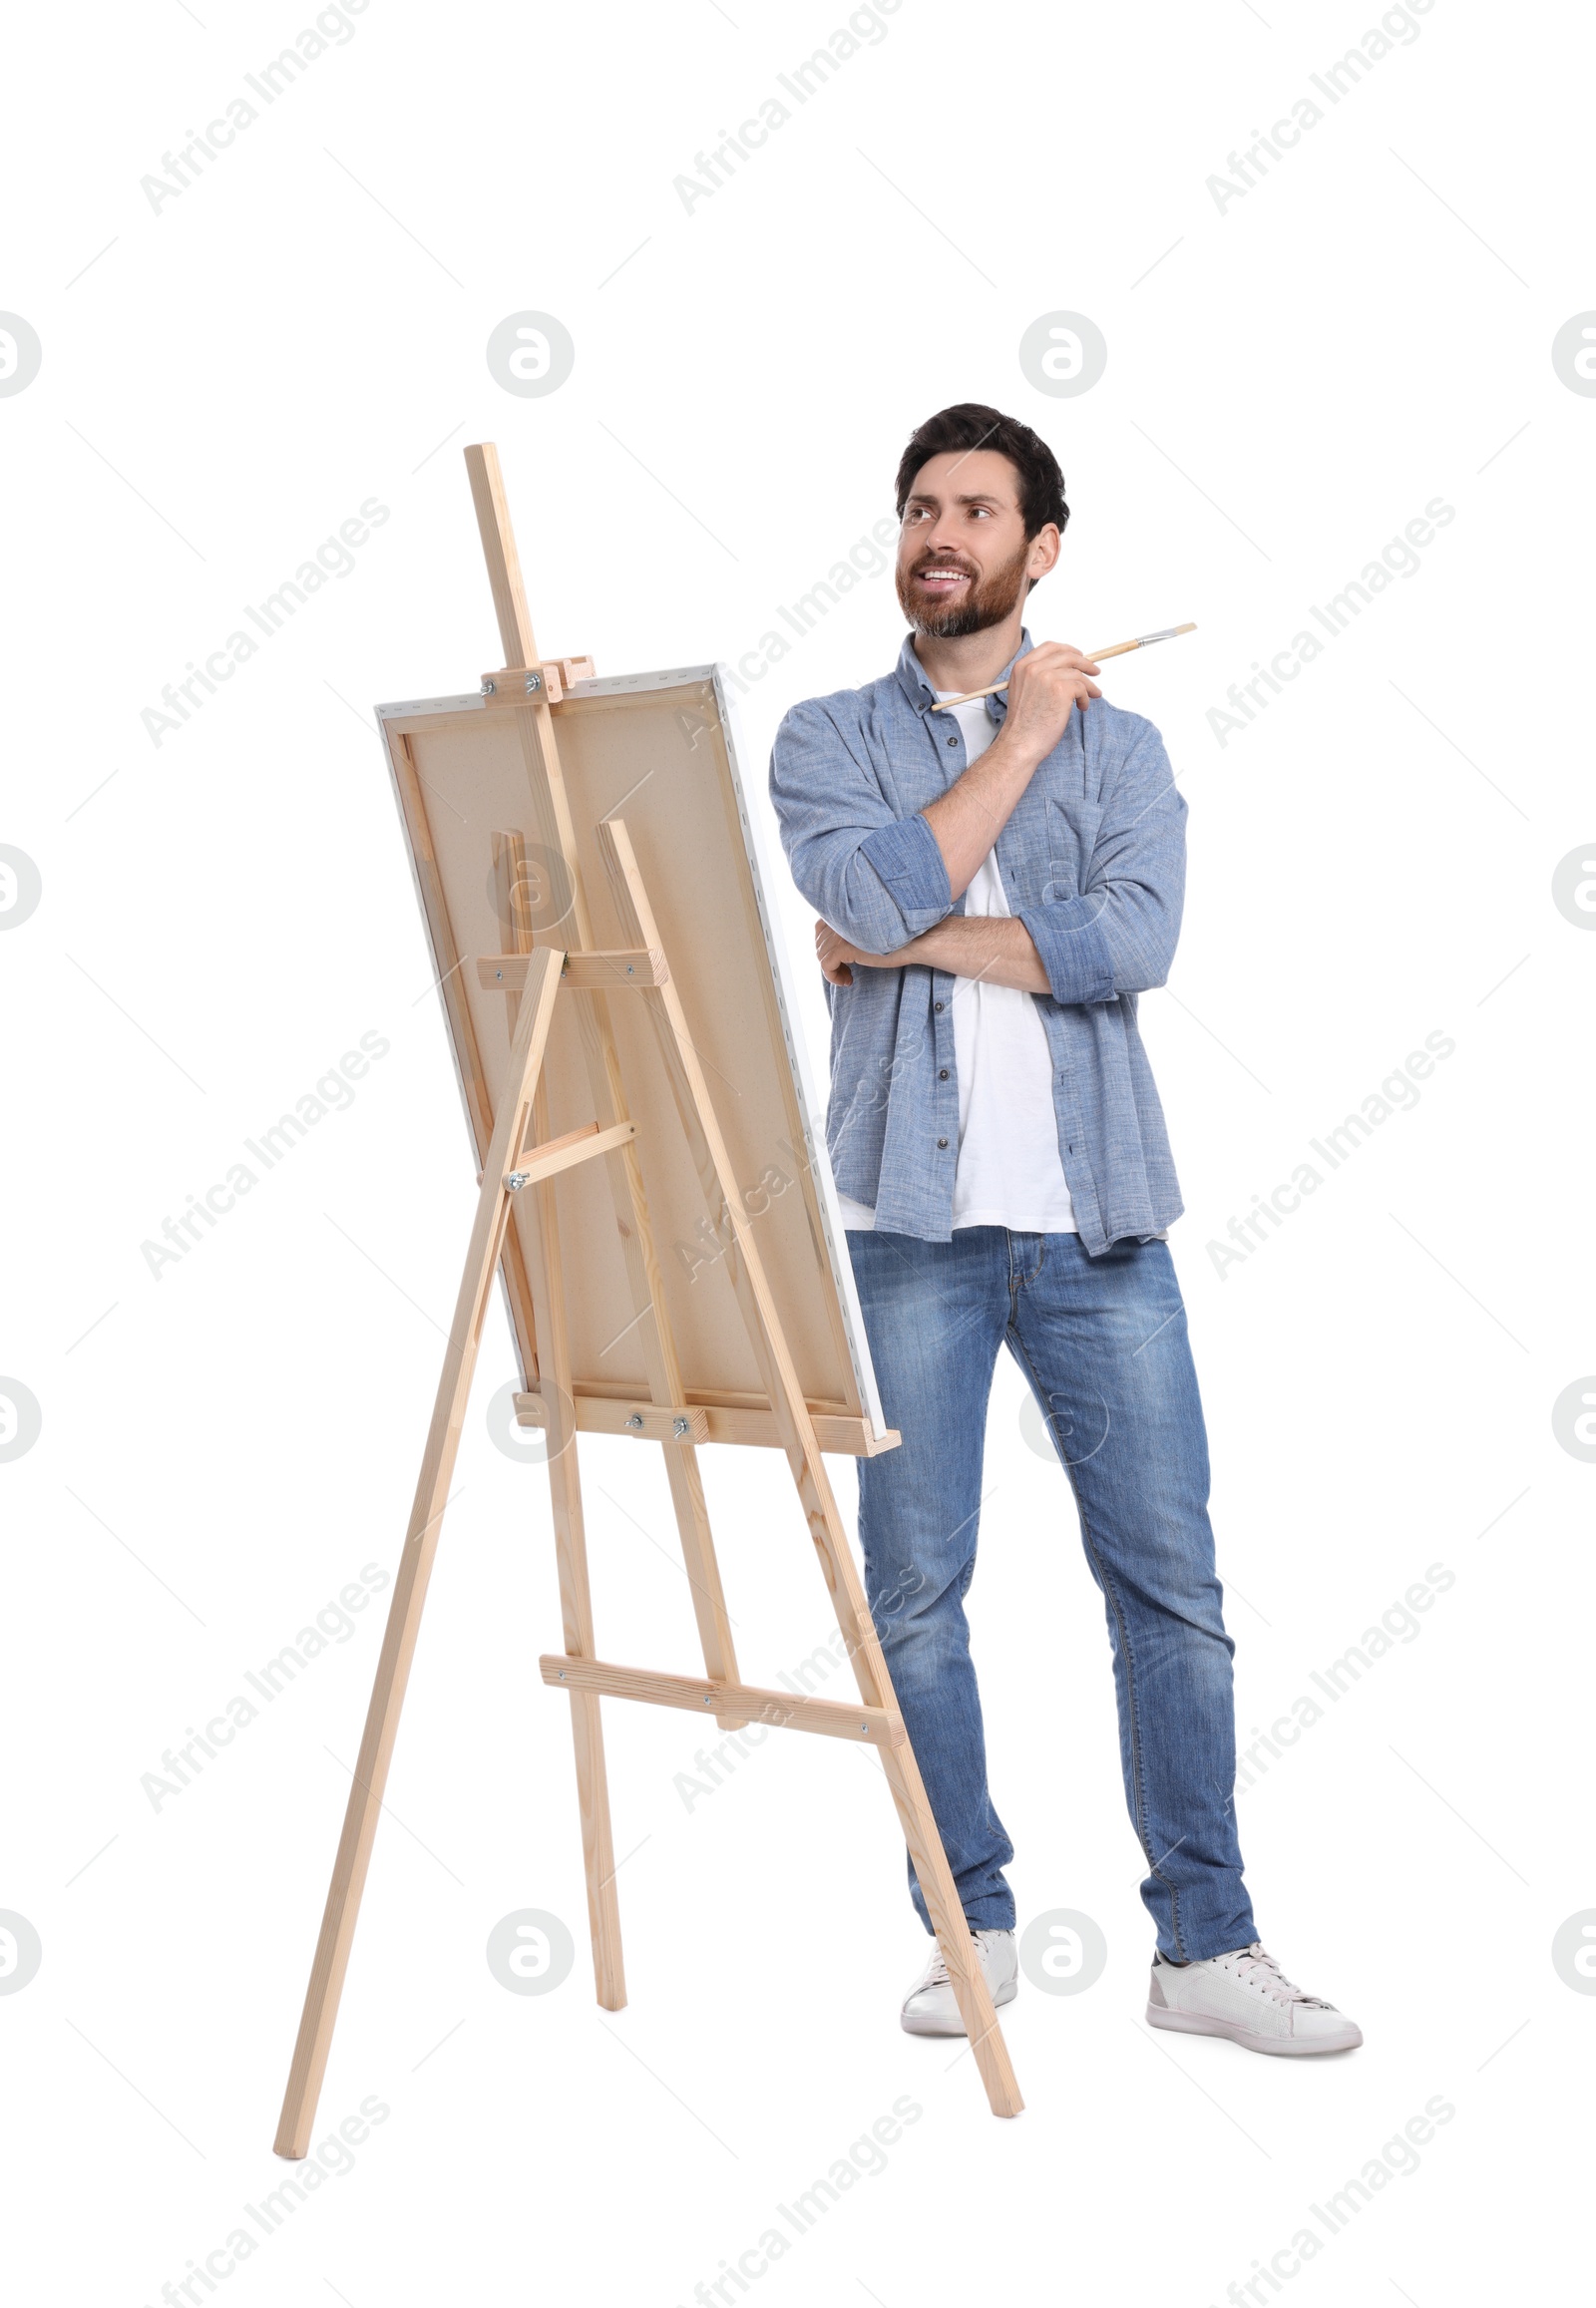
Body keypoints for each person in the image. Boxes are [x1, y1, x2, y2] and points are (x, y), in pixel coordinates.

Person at [767, 403, 1361, 2059]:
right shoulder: (827, 735)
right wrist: (1011, 749)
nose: (935, 532)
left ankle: (1206, 1945)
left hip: (1102, 1226)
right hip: (908, 1228)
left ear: (1041, 551)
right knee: (912, 1596)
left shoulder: (1136, 752)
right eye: (917, 507)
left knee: (1170, 1584)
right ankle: (970, 1923)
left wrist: (900, 939)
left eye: (973, 509)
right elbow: (864, 893)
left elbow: (1127, 944)